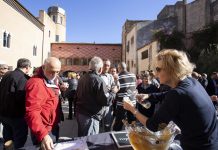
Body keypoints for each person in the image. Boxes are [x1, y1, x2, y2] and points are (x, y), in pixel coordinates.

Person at [123, 49, 218, 150]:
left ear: (171, 69)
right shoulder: (191, 82)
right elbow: (168, 94)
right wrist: (148, 96)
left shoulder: (177, 94)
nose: (155, 73)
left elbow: (154, 126)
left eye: (158, 69)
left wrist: (132, 109)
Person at [25, 57, 62, 150]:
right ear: (44, 67)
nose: (54, 75)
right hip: (44, 130)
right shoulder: (36, 83)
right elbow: (32, 112)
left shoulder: (48, 78)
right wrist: (43, 134)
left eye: (57, 72)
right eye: (51, 71)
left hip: (51, 126)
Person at [75, 56, 118, 137]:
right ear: (100, 69)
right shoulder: (98, 80)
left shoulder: (82, 78)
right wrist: (113, 92)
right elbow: (106, 101)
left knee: (82, 139)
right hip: (90, 116)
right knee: (90, 142)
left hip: (81, 114)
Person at [0, 58, 31, 149]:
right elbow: (21, 98)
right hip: (16, 116)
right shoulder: (23, 78)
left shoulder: (7, 75)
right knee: (19, 141)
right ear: (27, 67)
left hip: (4, 113)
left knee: (8, 139)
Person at [112, 62, 137, 131]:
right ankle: (133, 137)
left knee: (118, 123)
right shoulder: (133, 75)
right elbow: (135, 87)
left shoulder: (117, 76)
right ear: (126, 68)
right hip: (132, 102)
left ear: (119, 68)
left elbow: (115, 89)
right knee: (132, 121)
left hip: (122, 103)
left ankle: (116, 137)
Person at [100, 59, 116, 131]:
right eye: (105, 65)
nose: (106, 67)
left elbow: (114, 88)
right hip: (98, 106)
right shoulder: (97, 76)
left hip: (108, 105)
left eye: (108, 65)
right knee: (97, 127)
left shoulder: (110, 76)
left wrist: (112, 89)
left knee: (107, 125)